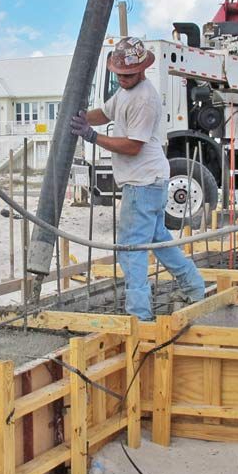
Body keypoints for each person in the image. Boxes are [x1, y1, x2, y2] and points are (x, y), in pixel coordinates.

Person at [70, 37, 205, 321]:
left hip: (142, 182)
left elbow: (133, 146)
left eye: (128, 75)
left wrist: (92, 136)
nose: (123, 79)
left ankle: (139, 316)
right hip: (149, 180)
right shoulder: (124, 92)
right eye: (118, 75)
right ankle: (194, 288)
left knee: (132, 249)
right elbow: (104, 112)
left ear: (142, 70)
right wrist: (81, 117)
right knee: (159, 241)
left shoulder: (144, 98)